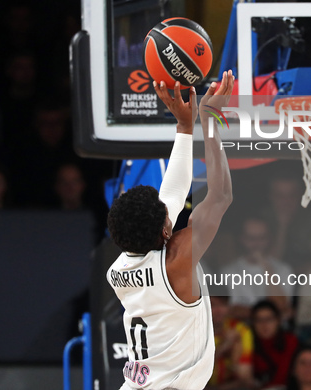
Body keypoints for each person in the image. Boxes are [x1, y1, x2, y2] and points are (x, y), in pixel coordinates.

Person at [106, 72, 235, 390]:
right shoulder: (176, 262)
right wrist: (209, 120)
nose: (170, 210)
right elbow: (219, 197)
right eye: (167, 218)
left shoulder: (118, 268)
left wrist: (184, 127)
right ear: (165, 232)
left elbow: (173, 195)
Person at [221, 216, 294, 322]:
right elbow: (230, 310)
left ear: (269, 239)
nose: (257, 244)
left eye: (262, 238)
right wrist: (270, 313)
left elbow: (282, 306)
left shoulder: (283, 270)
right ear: (242, 239)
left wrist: (266, 267)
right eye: (251, 238)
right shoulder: (228, 272)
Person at [208, 295, 256, 390]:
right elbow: (191, 374)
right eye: (213, 305)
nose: (219, 311)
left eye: (223, 305)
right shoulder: (193, 330)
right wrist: (224, 346)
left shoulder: (241, 330)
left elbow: (245, 378)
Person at [252, 300, 299, 389]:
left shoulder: (290, 340)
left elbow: (283, 374)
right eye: (259, 320)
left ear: (278, 321)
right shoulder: (248, 343)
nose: (264, 324)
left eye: (269, 319)